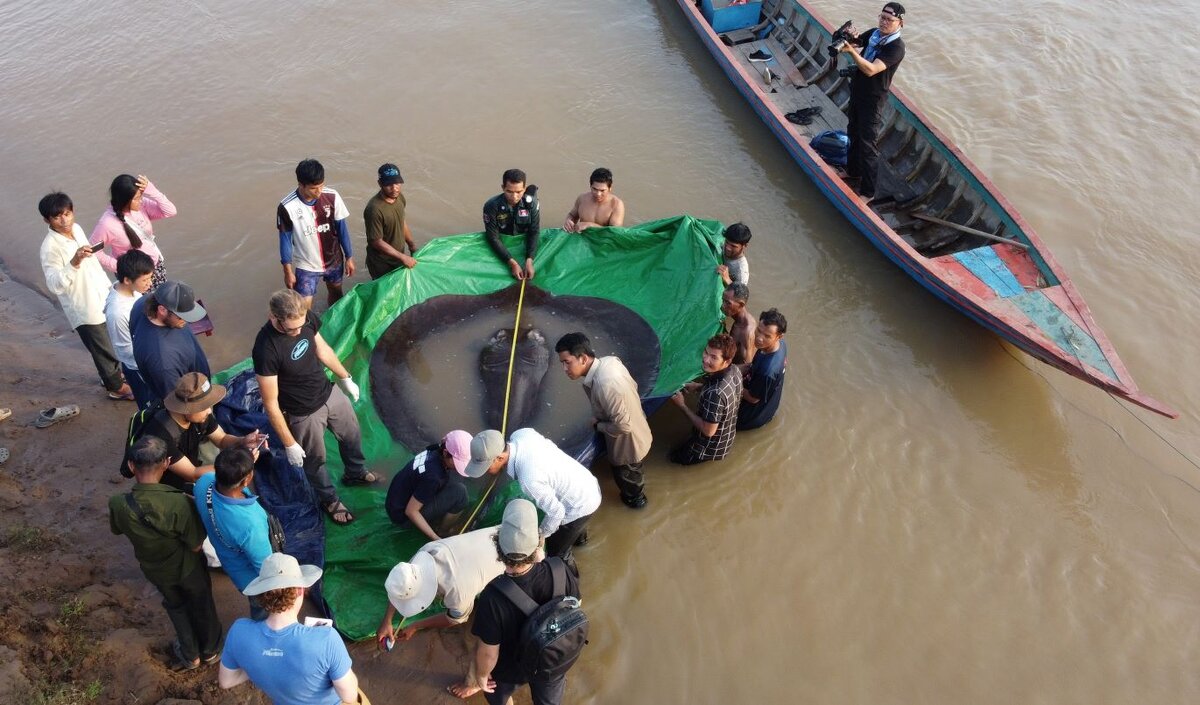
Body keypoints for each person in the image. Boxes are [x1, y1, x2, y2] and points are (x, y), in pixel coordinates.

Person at [253, 289, 376, 526]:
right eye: (291, 329)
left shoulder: (305, 318)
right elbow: (270, 403)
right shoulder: (265, 348)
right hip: (302, 412)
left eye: (301, 325)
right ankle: (329, 499)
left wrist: (344, 377)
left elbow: (322, 349)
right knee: (315, 460)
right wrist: (289, 443)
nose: (298, 332)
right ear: (274, 317)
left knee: (352, 435)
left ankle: (355, 472)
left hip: (327, 392)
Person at [108, 436, 222, 671]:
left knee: (176, 606)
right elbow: (196, 545)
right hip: (188, 568)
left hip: (154, 569)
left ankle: (190, 655)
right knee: (202, 604)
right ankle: (210, 650)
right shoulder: (178, 502)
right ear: (167, 463)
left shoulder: (119, 503)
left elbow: (117, 529)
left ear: (131, 466)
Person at [378, 525, 509, 699]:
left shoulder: (457, 592)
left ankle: (475, 682)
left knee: (479, 635)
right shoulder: (425, 554)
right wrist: (387, 621)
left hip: (512, 560)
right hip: (502, 531)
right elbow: (401, 585)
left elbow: (455, 619)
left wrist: (416, 626)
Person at [471, 498, 580, 705]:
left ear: (499, 547)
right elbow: (575, 605)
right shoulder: (559, 569)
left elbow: (489, 652)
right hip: (551, 660)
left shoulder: (492, 596)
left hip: (512, 668)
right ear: (538, 543)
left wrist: (481, 676)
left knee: (497, 696)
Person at [219, 553, 363, 705]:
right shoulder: (327, 639)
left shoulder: (238, 632)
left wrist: (259, 662)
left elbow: (226, 681)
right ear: (299, 591)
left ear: (262, 595)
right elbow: (349, 695)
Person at [38, 191, 132, 400]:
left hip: (102, 294)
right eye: (57, 217)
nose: (64, 220)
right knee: (102, 349)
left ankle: (112, 375)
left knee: (111, 341)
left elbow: (93, 264)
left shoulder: (77, 229)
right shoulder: (49, 248)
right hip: (84, 306)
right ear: (47, 220)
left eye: (67, 214)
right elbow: (54, 285)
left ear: (73, 212)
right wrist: (74, 262)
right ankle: (115, 388)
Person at [464, 428, 600, 562]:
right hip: (586, 482)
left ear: (499, 458)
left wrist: (541, 536)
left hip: (580, 504)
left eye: (486, 467)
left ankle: (572, 579)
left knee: (557, 555)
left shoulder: (529, 480)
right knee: (577, 531)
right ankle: (581, 542)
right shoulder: (521, 433)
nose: (486, 471)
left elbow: (557, 512)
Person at [554, 332, 652, 509]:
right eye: (562, 363)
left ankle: (636, 502)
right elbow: (634, 387)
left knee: (631, 485)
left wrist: (598, 425)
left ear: (583, 358)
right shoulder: (610, 362)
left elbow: (623, 426)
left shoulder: (605, 384)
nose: (564, 369)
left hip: (628, 446)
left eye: (567, 362)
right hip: (640, 426)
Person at [139, 372, 266, 492]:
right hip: (170, 485)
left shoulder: (200, 416)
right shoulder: (161, 434)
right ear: (186, 409)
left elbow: (221, 439)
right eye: (203, 407)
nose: (209, 412)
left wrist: (243, 441)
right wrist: (240, 465)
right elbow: (192, 474)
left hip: (192, 468)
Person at [838, 3, 907, 200]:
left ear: (900, 23)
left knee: (868, 145)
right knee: (853, 132)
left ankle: (868, 192)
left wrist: (851, 52)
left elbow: (871, 69)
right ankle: (853, 171)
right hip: (858, 91)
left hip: (873, 99)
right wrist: (847, 37)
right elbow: (856, 42)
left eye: (889, 20)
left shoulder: (896, 48)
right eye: (882, 17)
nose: (884, 22)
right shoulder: (874, 34)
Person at [193, 447, 271, 617]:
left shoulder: (202, 484)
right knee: (263, 611)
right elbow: (266, 567)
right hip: (254, 581)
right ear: (248, 478)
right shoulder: (251, 524)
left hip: (234, 568)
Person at [277, 158, 356, 309]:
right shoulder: (287, 206)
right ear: (301, 185)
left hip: (333, 259)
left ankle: (332, 327)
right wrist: (287, 271)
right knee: (303, 307)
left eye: (321, 186)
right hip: (306, 264)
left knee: (336, 294)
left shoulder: (332, 196)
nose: (319, 192)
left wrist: (349, 257)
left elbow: (342, 229)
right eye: (314, 188)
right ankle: (308, 332)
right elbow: (285, 240)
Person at [129, 280, 211, 405]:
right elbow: (179, 404)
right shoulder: (162, 360)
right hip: (192, 398)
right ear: (162, 310)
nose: (187, 321)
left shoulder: (142, 303)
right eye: (181, 316)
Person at [89, 174, 177, 290]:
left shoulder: (141, 205)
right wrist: (121, 268)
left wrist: (151, 190)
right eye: (136, 199)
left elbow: (170, 211)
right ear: (124, 200)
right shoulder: (107, 224)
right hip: (135, 278)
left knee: (162, 301)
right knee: (145, 306)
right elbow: (93, 251)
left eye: (140, 196)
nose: (140, 201)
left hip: (155, 266)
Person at [668, 333, 743, 465]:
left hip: (707, 448)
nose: (706, 359)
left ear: (727, 361)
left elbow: (708, 431)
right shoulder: (735, 370)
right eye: (706, 352)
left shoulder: (715, 394)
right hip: (727, 436)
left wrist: (682, 405)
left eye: (713, 357)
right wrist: (698, 387)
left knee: (672, 459)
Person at [384, 430, 471, 540]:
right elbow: (411, 511)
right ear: (445, 453)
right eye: (457, 461)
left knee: (452, 481)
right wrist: (435, 537)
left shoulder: (434, 449)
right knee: (460, 494)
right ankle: (442, 531)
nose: (459, 466)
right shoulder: (433, 477)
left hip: (394, 504)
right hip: (403, 517)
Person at [105, 250, 155, 406]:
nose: (150, 283)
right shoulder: (117, 312)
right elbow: (125, 350)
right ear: (127, 280)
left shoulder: (134, 293)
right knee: (149, 405)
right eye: (145, 280)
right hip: (138, 367)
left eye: (150, 278)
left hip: (145, 356)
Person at [482, 168, 539, 280]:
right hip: (503, 239)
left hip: (523, 238)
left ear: (525, 189)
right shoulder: (491, 206)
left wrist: (529, 260)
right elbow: (493, 237)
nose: (514, 197)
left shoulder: (531, 203)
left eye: (519, 192)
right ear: (503, 188)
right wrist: (512, 263)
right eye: (509, 191)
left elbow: (534, 231)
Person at [364, 162, 418, 279]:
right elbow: (376, 241)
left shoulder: (399, 198)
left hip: (398, 258)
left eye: (397, 183)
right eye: (389, 184)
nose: (394, 188)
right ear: (380, 184)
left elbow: (401, 222)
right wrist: (403, 257)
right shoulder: (374, 209)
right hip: (382, 264)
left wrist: (412, 245)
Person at [738, 308, 788, 430]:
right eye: (758, 330)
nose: (759, 338)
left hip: (752, 416)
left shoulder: (768, 371)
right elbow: (752, 366)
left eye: (767, 336)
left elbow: (752, 398)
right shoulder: (780, 345)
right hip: (768, 402)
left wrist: (731, 382)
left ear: (779, 336)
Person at [563, 167, 624, 232]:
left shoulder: (616, 205)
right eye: (594, 189)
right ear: (590, 186)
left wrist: (589, 225)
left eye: (602, 190)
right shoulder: (582, 199)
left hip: (603, 241)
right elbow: (572, 215)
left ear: (610, 188)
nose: (598, 194)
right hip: (582, 239)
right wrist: (569, 221)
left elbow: (615, 232)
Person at [721, 282, 756, 365]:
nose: (722, 306)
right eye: (723, 300)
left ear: (741, 305)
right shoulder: (741, 314)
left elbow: (747, 366)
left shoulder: (746, 332)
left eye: (728, 303)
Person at [715, 222, 751, 286]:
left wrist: (727, 279)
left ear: (744, 246)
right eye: (727, 242)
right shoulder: (722, 244)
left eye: (733, 246)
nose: (727, 248)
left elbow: (740, 295)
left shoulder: (742, 271)